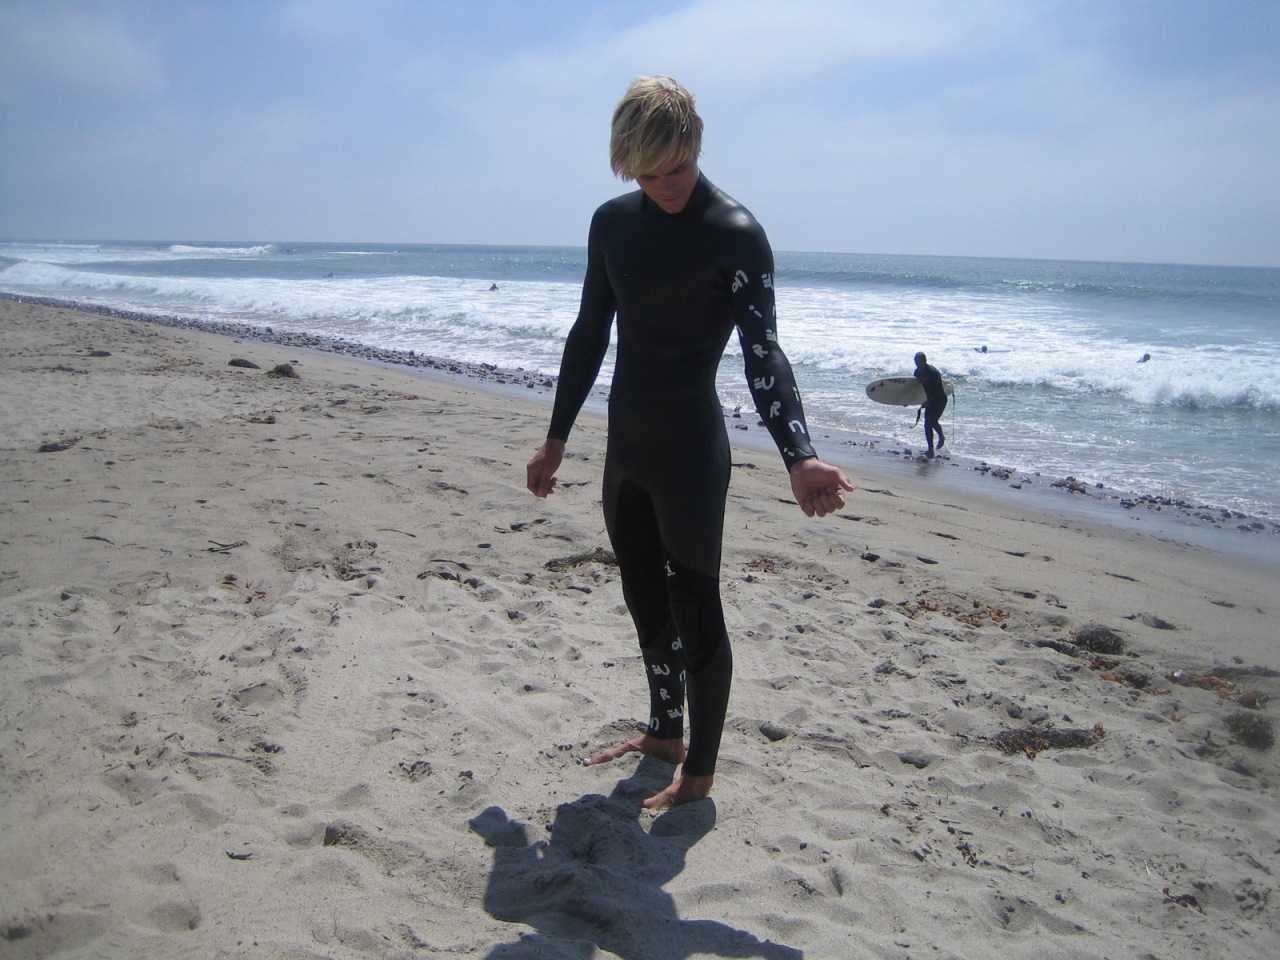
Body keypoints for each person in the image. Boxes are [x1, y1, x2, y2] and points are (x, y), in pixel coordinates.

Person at [526, 75, 853, 809]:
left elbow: (764, 353)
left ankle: (699, 773)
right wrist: (556, 438)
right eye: (647, 174)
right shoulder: (612, 224)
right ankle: (665, 734)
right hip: (627, 450)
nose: (665, 184)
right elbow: (589, 331)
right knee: (644, 598)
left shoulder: (734, 233)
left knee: (696, 607)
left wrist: (799, 454)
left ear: (696, 146)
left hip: (690, 455)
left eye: (675, 168)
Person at [913, 351, 947, 458]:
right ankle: (930, 449)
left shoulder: (932, 372)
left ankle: (940, 437)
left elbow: (936, 390)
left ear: (924, 360)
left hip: (939, 400)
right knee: (927, 424)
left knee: (931, 422)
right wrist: (908, 400)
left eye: (919, 361)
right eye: (915, 361)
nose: (917, 364)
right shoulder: (917, 372)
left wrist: (928, 402)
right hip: (928, 400)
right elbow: (915, 388)